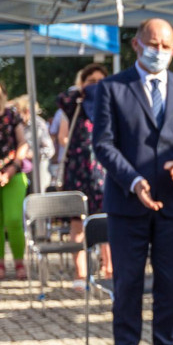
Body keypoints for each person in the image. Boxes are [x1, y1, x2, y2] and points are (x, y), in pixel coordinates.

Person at [93, 18, 173, 345]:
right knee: (127, 283)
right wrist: (134, 180)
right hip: (128, 202)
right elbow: (104, 144)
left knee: (171, 281)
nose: (158, 50)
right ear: (137, 45)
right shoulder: (111, 88)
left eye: (166, 45)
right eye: (152, 43)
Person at [56, 64, 112, 288]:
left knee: (105, 223)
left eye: (101, 81)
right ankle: (80, 273)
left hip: (103, 173)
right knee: (77, 225)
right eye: (91, 81)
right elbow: (61, 99)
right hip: (78, 172)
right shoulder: (76, 106)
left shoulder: (110, 106)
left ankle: (109, 270)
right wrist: (81, 90)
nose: (96, 86)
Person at [0, 77, 28, 280]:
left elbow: (22, 143)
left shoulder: (11, 114)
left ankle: (20, 262)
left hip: (14, 174)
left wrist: (12, 168)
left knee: (13, 219)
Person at [9, 95, 55, 194]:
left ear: (27, 111)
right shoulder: (15, 124)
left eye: (18, 111)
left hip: (38, 172)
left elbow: (50, 150)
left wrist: (32, 154)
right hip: (19, 169)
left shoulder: (38, 124)